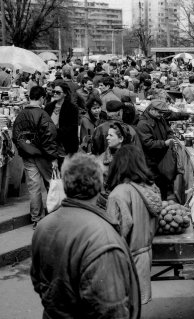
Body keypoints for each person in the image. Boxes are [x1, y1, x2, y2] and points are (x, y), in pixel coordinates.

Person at [30, 153, 141, 318]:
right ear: (100, 185)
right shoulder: (102, 237)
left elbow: (38, 281)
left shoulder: (43, 226)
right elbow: (112, 310)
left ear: (66, 184)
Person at [106, 145, 162, 305]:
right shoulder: (151, 189)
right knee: (134, 308)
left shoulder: (119, 193)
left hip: (124, 262)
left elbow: (115, 234)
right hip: (144, 258)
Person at [12, 86, 59, 229]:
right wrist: (53, 157)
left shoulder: (20, 115)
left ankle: (37, 219)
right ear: (42, 98)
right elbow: (49, 136)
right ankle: (55, 216)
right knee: (51, 184)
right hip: (43, 155)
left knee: (33, 187)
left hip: (28, 155)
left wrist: (25, 148)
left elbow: (16, 136)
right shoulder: (43, 114)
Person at [136, 100, 182, 197]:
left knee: (163, 184)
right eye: (160, 112)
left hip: (162, 159)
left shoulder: (160, 118)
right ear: (152, 109)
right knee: (155, 187)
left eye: (163, 113)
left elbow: (169, 130)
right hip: (151, 161)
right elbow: (148, 143)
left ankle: (164, 201)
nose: (161, 115)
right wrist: (164, 143)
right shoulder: (143, 124)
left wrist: (170, 137)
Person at [44, 82, 79, 156]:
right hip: (50, 145)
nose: (55, 94)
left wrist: (56, 133)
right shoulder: (48, 107)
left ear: (65, 94)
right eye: (54, 92)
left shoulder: (72, 108)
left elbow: (73, 127)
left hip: (66, 145)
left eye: (58, 92)